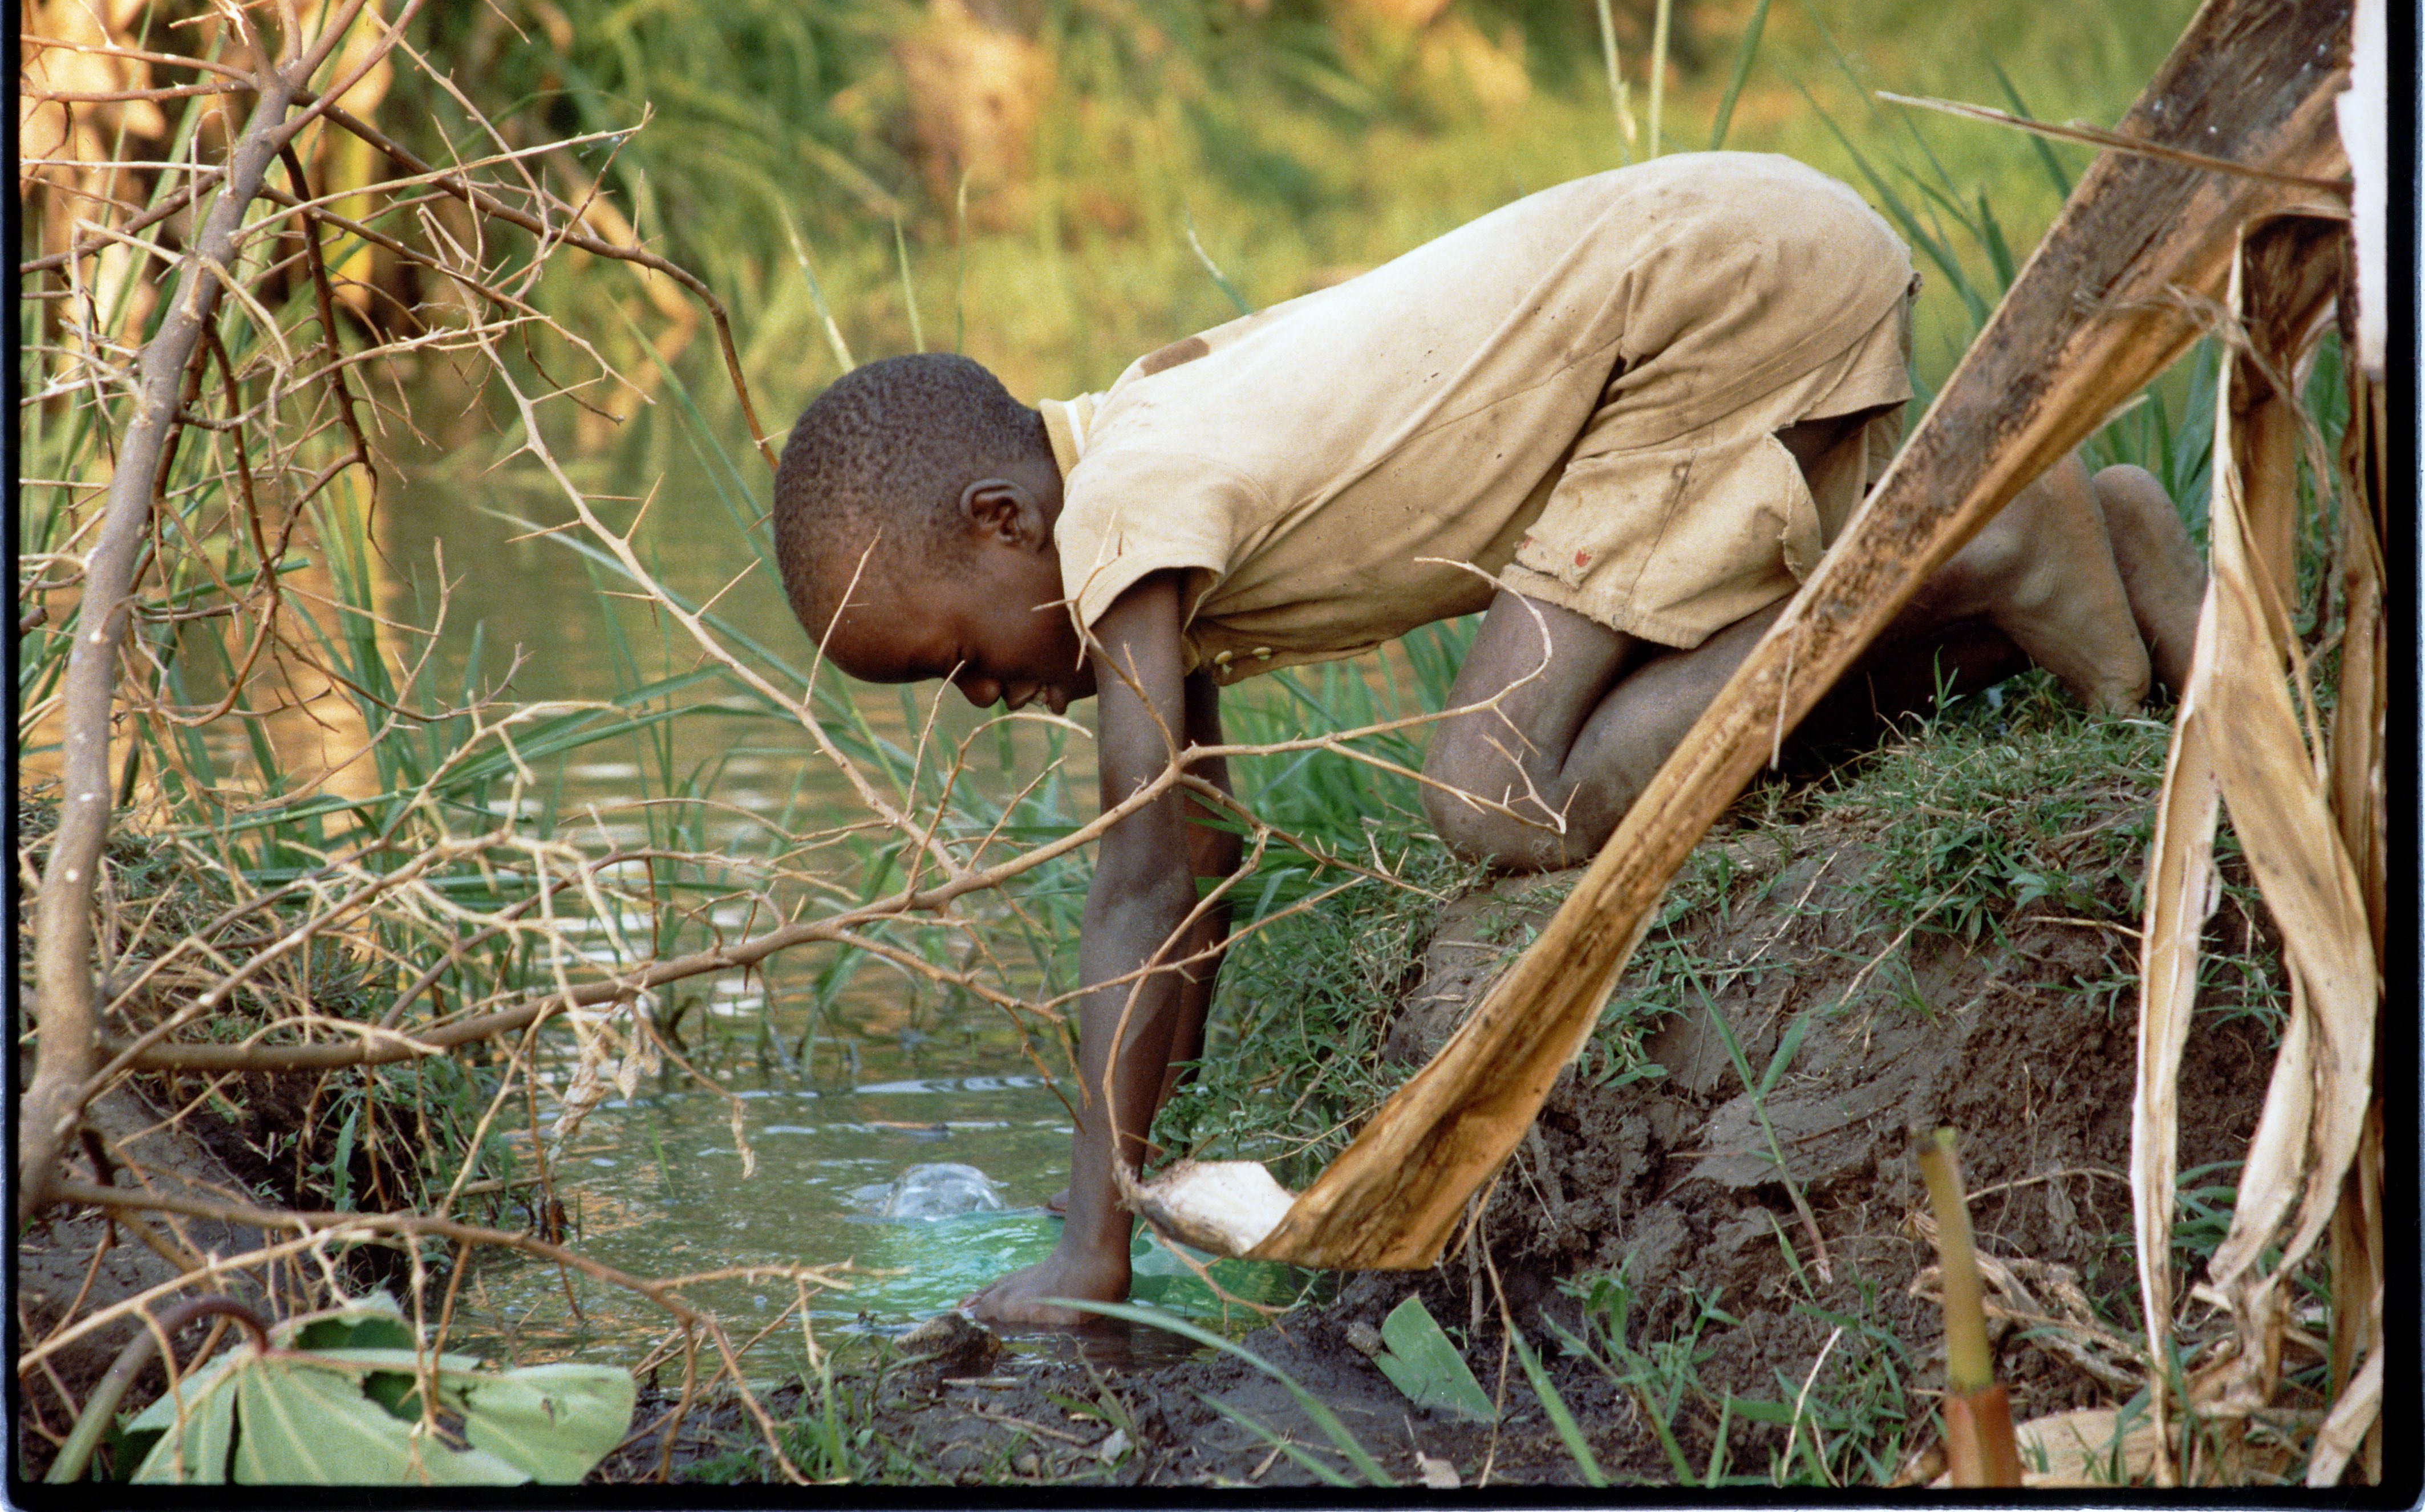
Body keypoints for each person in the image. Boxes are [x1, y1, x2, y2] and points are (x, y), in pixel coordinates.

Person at [769, 153, 2205, 1325]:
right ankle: (2077, 552)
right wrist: (1127, 1183)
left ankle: (1984, 544)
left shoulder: (1127, 510)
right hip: (1718, 259)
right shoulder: (1129, 456)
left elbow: (1136, 870)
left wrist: (1090, 1254)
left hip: (1703, 297)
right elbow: (1199, 861)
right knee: (1551, 765)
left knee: (1496, 793)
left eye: (957, 657)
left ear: (1003, 521)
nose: (982, 698)